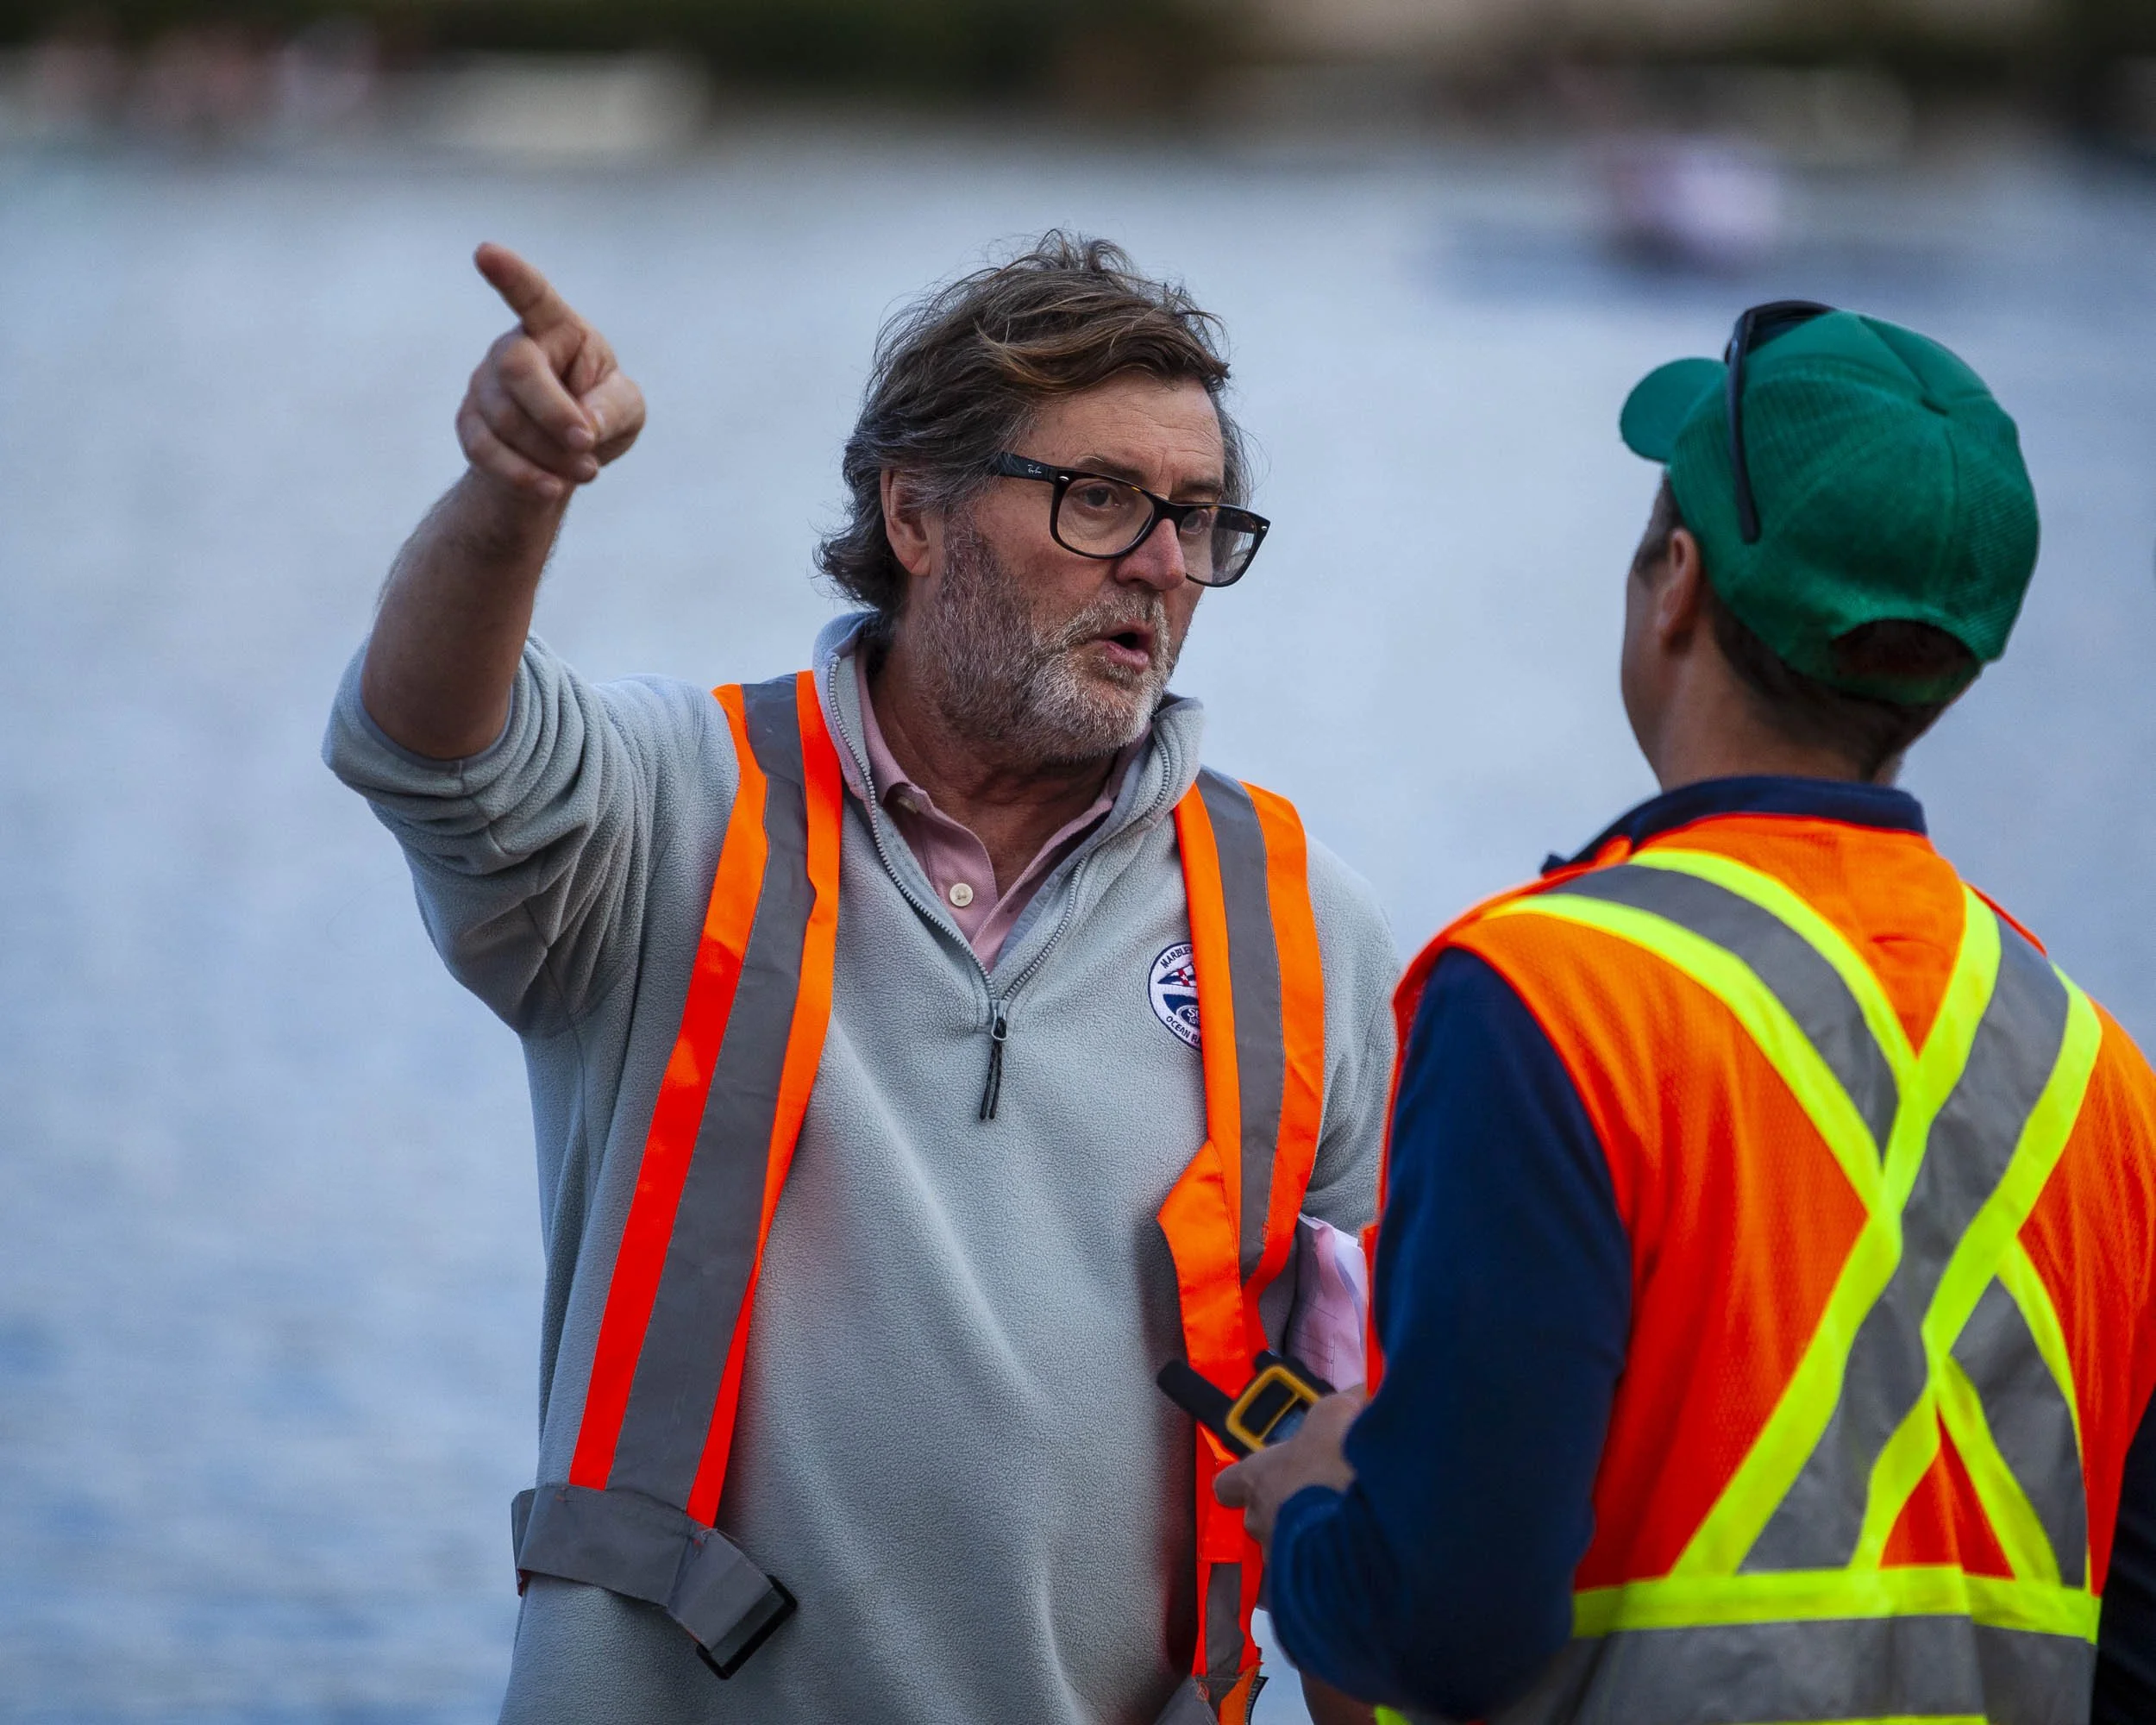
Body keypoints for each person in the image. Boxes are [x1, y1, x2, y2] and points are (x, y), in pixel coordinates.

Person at [323, 230, 1398, 1725]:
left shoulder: (1304, 927)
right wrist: (517, 495)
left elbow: (1376, 1448)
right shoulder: (677, 805)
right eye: (1100, 499)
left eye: (1199, 517)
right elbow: (424, 747)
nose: (1163, 564)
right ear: (916, 513)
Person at [1217, 303, 2156, 1723]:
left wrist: (1310, 1512)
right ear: (1948, 664)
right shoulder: (2100, 1070)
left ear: (1677, 584)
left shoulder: (1547, 1000)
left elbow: (1446, 1626)